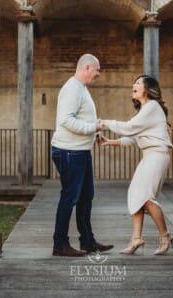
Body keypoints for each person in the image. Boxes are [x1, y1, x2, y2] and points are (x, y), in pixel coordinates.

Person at [99, 75, 173, 255]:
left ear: (147, 89)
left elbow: (129, 127)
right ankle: (136, 239)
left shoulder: (152, 107)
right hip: (149, 156)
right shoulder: (145, 111)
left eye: (138, 83)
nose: (134, 85)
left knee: (146, 198)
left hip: (157, 155)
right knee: (135, 195)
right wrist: (110, 142)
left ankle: (165, 236)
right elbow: (131, 138)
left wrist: (103, 123)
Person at [51, 54, 114, 257]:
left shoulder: (81, 89)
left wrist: (95, 132)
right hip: (69, 152)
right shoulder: (72, 88)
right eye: (97, 71)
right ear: (87, 67)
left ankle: (88, 241)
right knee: (70, 197)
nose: (97, 75)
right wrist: (93, 126)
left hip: (80, 151)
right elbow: (66, 121)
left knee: (86, 196)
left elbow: (81, 119)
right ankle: (60, 244)